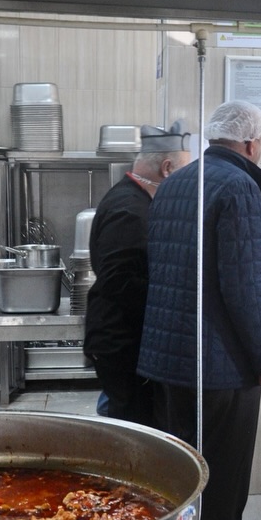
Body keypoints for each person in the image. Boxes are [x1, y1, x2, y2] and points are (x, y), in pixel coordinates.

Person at [137, 100, 261, 520]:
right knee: (224, 476)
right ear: (250, 144)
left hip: (174, 356)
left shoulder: (178, 181)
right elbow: (247, 285)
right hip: (221, 363)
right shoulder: (240, 186)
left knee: (186, 469)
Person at [83, 121, 191, 426]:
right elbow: (120, 282)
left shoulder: (135, 199)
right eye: (186, 171)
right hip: (121, 343)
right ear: (168, 168)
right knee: (132, 428)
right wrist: (171, 302)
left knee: (121, 416)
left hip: (120, 338)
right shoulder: (130, 211)